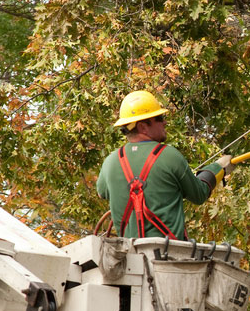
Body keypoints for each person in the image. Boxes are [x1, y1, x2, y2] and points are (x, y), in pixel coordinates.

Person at [97, 90, 233, 240]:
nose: (164, 122)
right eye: (159, 118)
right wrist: (218, 168)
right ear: (143, 127)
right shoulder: (169, 156)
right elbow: (199, 194)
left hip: (129, 258)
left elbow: (101, 192)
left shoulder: (110, 162)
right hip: (168, 256)